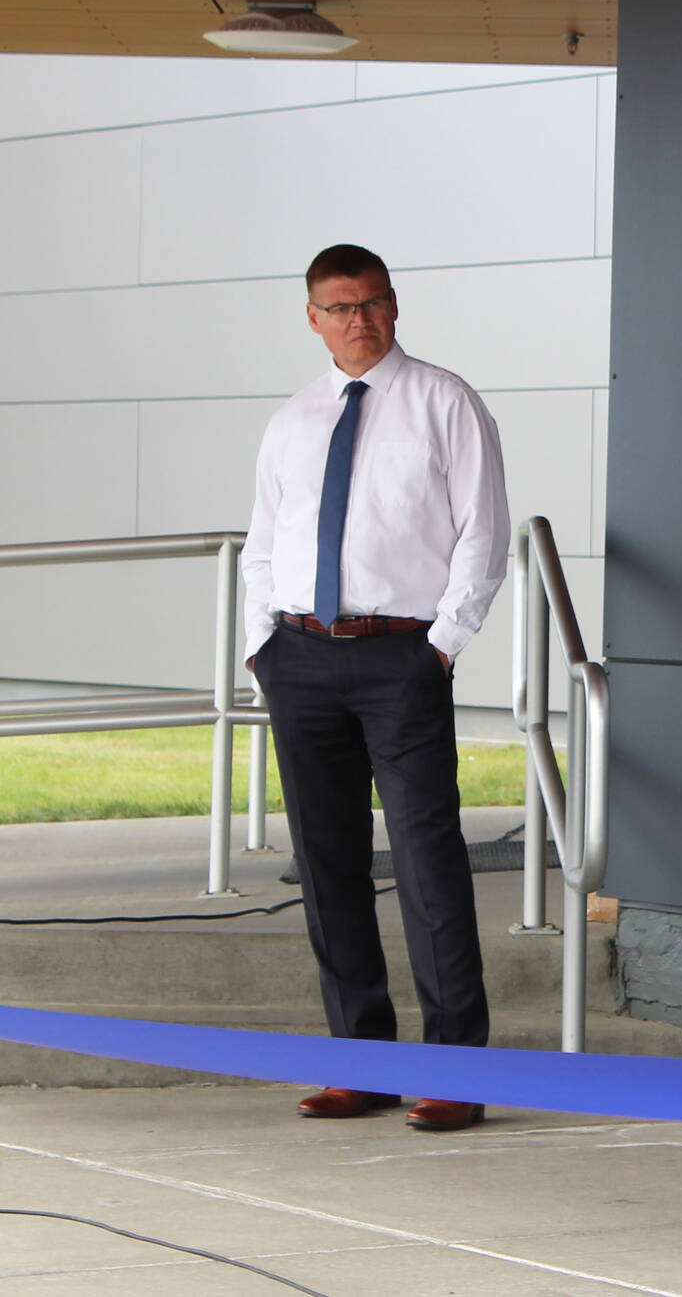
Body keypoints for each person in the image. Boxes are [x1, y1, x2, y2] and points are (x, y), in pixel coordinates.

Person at [243, 244, 511, 1132]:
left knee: (429, 860)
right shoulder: (291, 420)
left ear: (395, 308)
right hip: (302, 658)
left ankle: (452, 1071)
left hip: (402, 659)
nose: (359, 319)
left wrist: (441, 645)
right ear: (312, 318)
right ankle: (361, 1061)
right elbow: (265, 544)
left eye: (374, 302)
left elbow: (483, 531)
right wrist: (261, 648)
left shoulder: (444, 401)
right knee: (327, 864)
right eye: (339, 306)